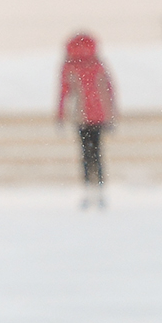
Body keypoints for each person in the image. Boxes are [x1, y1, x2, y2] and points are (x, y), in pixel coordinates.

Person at [57, 33, 116, 209]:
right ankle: (99, 192)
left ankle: (88, 192)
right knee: (97, 154)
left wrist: (61, 115)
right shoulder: (98, 64)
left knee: (85, 154)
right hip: (99, 115)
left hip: (81, 116)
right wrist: (111, 114)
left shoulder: (69, 66)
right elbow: (109, 90)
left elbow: (64, 92)